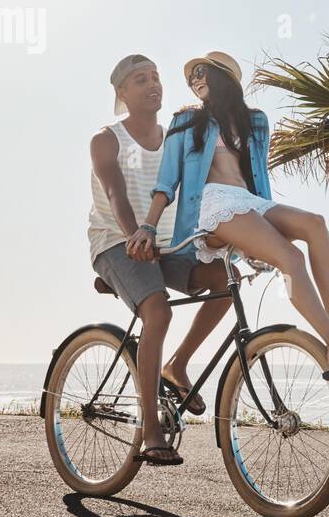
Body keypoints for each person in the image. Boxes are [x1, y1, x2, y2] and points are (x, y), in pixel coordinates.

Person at [129, 50, 329, 382]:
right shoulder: (187, 121)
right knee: (291, 257)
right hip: (210, 205)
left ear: (223, 77)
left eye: (201, 72)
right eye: (191, 76)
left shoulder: (255, 122)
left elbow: (258, 177)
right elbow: (167, 182)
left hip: (248, 203)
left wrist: (263, 231)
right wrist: (148, 226)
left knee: (316, 224)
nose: (194, 80)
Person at [89, 54, 233, 467]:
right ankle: (150, 427)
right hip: (117, 243)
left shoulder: (176, 137)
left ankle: (177, 365)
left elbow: (197, 190)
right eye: (140, 79)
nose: (153, 84)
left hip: (169, 243)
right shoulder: (107, 138)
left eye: (155, 77)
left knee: (227, 279)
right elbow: (115, 192)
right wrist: (137, 232)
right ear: (122, 93)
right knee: (159, 312)